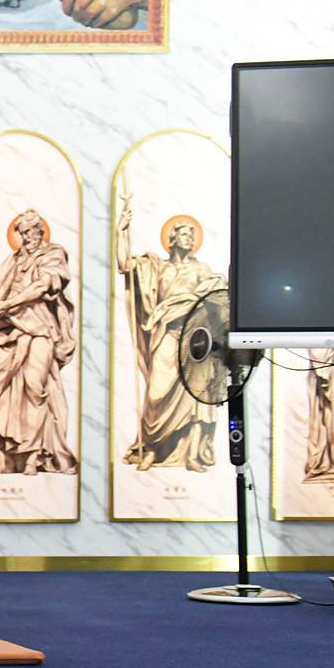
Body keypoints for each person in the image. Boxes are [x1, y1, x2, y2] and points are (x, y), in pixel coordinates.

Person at [0, 208, 77, 478]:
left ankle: (33, 454)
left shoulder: (53, 254)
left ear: (40, 230)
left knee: (34, 385)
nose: (27, 237)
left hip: (40, 329)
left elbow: (43, 286)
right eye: (22, 232)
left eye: (31, 231)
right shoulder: (16, 259)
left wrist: (10, 303)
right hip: (9, 329)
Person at [117, 200, 221, 471]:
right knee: (156, 393)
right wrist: (121, 230)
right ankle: (152, 447)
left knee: (196, 396)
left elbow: (216, 297)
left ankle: (192, 454)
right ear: (172, 239)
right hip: (166, 334)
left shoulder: (201, 270)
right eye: (185, 234)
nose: (190, 239)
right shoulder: (157, 267)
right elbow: (124, 265)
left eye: (192, 235)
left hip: (193, 339)